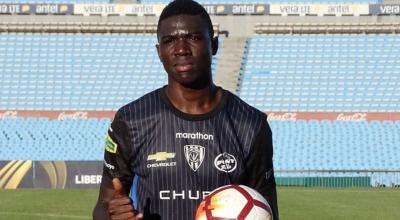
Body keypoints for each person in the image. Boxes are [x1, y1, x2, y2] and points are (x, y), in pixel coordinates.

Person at [92, 0, 279, 219]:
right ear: (159, 51)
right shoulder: (131, 120)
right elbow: (103, 206)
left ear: (214, 44)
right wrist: (112, 215)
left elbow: (268, 211)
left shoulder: (251, 124)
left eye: (193, 37)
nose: (181, 49)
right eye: (169, 40)